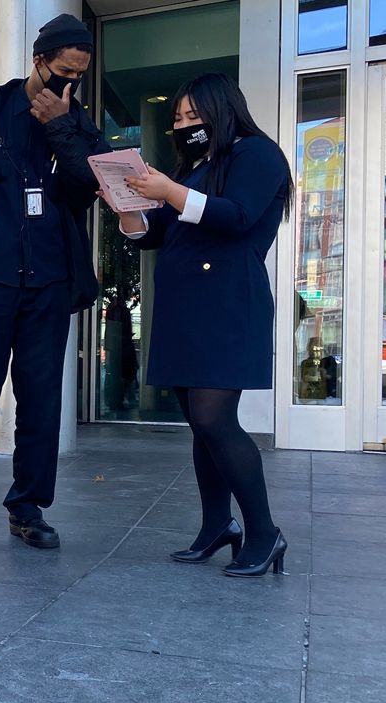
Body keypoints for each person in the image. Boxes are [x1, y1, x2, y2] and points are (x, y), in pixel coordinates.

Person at [0, 14, 107, 552]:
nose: (68, 85)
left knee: (40, 402)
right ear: (39, 62)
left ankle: (27, 508)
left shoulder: (79, 125)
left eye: (78, 76)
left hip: (50, 281)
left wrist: (61, 124)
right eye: (61, 73)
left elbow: (93, 185)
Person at [115, 72, 293, 577]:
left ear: (223, 109)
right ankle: (218, 525)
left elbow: (236, 217)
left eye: (195, 116)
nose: (186, 125)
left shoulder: (257, 154)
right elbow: (157, 236)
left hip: (228, 303)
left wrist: (168, 189)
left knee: (216, 419)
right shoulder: (195, 168)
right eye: (178, 118)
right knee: (199, 424)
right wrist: (130, 213)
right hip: (183, 308)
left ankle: (264, 533)